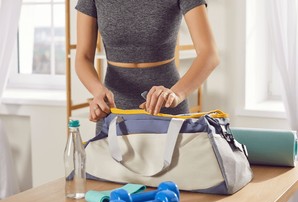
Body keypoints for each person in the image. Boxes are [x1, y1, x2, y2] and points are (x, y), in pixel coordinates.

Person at [74, 0, 219, 134]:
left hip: (167, 104)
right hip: (114, 109)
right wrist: (98, 91)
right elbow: (83, 58)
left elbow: (209, 54)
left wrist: (176, 94)